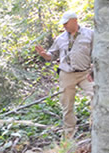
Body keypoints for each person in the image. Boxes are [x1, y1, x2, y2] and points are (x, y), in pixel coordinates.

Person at [35, 11, 94, 140]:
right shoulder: (60, 38)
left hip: (85, 74)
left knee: (96, 97)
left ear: (74, 21)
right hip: (66, 74)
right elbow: (52, 55)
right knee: (67, 107)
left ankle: (95, 128)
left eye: (66, 23)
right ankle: (68, 137)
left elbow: (97, 54)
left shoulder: (90, 34)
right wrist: (45, 55)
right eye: (63, 24)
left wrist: (93, 71)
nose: (64, 26)